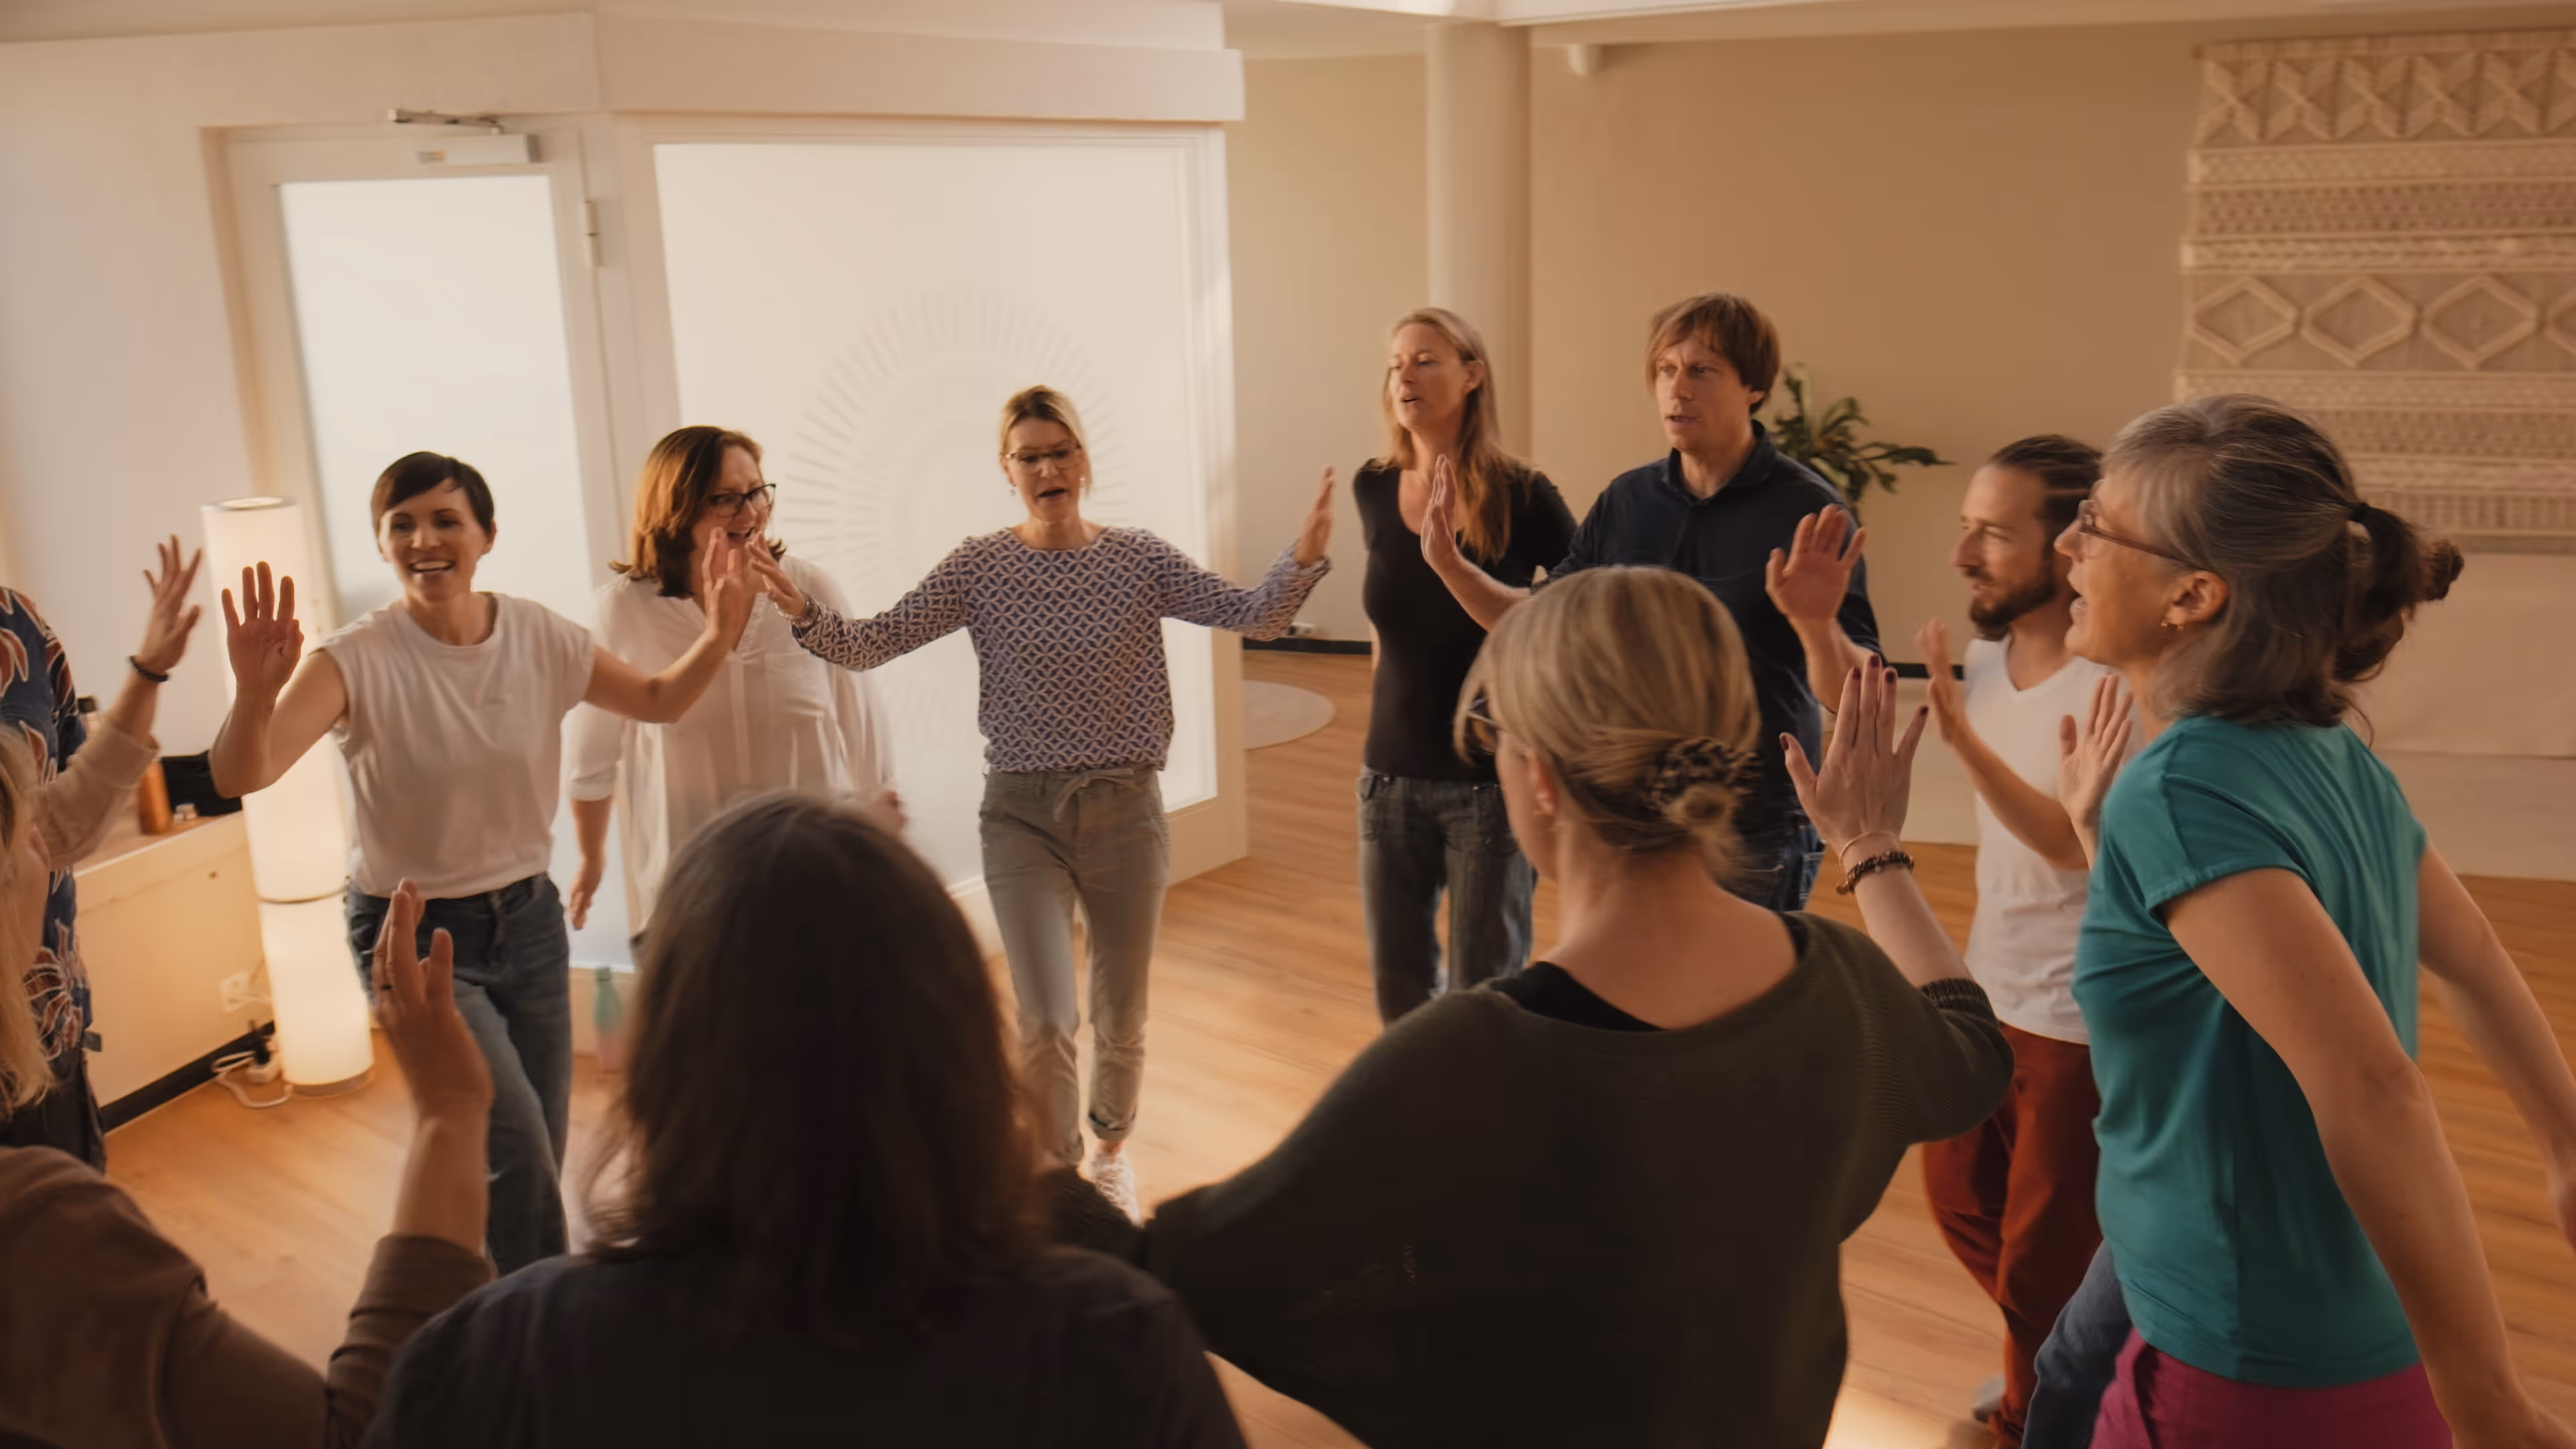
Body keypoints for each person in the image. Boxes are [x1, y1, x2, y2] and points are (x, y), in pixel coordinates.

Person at [1051, 566, 2012, 1448]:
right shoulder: (1843, 983)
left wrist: (1019, 1161)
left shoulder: (1470, 1060)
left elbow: (1173, 1281)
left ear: (1541, 776)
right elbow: (1971, 1052)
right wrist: (1871, 847)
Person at [2015, 397, 2576, 1448]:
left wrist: (2487, 1396)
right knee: (2066, 1371)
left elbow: (2374, 1085)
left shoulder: (2179, 790)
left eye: (2097, 526)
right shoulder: (2325, 751)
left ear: (2192, 596)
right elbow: (2472, 955)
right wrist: (2566, 1142)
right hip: (2278, 1283)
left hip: (2239, 1337)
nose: (2067, 548)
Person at [363, 795, 1246, 1449]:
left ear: (669, 1062)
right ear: (962, 1051)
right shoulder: (1116, 1345)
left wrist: (449, 1113)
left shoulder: (504, 1356)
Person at [751, 386, 1332, 1220]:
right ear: (1007, 470)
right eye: (1030, 457)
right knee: (1048, 1018)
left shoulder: (1137, 558)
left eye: (1061, 452)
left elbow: (1256, 616)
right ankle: (1057, 1183)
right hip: (1021, 816)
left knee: (1121, 1013)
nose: (1048, 468)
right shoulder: (980, 566)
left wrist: (1304, 555)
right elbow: (872, 643)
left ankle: (1110, 1152)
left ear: (1083, 460)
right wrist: (801, 609)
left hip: (1126, 811)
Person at [210, 451, 753, 1274]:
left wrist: (718, 636)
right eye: (402, 524)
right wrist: (255, 695)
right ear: (382, 544)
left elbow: (657, 701)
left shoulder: (538, 635)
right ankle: (542, 1325)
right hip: (413, 937)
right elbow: (239, 775)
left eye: (446, 521)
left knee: (533, 1150)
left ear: (487, 535)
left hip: (528, 920)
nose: (423, 540)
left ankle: (500, 1301)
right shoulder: (354, 658)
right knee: (519, 1151)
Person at [1, 723, 496, 1448]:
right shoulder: (39, 1230)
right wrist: (451, 1112)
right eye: (25, 831)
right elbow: (362, 1434)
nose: (46, 852)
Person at [1778, 437, 2120, 1444]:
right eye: (1968, 527)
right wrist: (1816, 624)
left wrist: (1962, 737)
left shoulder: (2110, 684)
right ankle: (2065, 1356)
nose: (1963, 552)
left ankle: (2032, 1417)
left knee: (2044, 1255)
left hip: (2078, 1022)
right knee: (1963, 1201)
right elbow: (1860, 691)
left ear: (2068, 545)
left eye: (1993, 534)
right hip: (1989, 990)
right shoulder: (1993, 660)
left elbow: (2068, 842)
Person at [1418, 291, 1880, 909]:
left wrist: (1817, 628)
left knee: (1742, 977)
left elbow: (1858, 697)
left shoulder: (1810, 512)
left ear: (1755, 387)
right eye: (1666, 370)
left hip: (1756, 826)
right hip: (1633, 814)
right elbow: (1538, 622)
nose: (1677, 389)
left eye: (1701, 370)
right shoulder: (1627, 501)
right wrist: (1450, 566)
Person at [568, 425, 898, 938]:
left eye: (756, 492)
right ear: (675, 508)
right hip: (692, 888)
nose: (750, 513)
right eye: (724, 499)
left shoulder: (810, 591)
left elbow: (864, 732)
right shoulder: (623, 611)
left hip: (812, 877)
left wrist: (883, 845)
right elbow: (590, 761)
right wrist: (591, 861)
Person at [1354, 308, 1574, 1024]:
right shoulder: (1373, 486)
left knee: (1485, 999)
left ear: (1472, 375)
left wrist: (1452, 566)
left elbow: (1572, 614)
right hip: (1389, 780)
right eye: (1396, 364)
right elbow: (1387, 624)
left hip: (1490, 786)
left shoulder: (1524, 494)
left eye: (1426, 360)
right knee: (1397, 995)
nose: (1405, 377)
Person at [0, 538, 205, 1167]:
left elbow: (59, 829)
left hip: (45, 1040)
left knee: (73, 1223)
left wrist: (149, 672)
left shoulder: (17, 627)